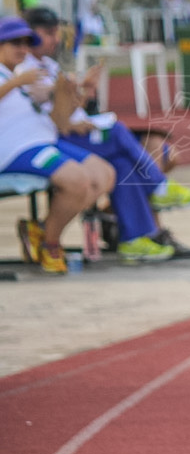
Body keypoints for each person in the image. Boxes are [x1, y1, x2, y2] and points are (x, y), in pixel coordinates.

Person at [18, 7, 190, 261]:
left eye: (56, 33)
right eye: (48, 33)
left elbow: (65, 109)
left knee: (126, 162)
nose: (56, 40)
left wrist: (83, 93)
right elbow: (55, 119)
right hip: (51, 139)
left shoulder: (47, 65)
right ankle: (158, 188)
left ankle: (134, 238)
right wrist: (66, 94)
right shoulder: (23, 69)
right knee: (116, 132)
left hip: (70, 131)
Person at [0, 16, 114, 274]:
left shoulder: (20, 75)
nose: (22, 48)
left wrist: (79, 93)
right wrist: (16, 83)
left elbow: (59, 121)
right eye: (14, 42)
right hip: (14, 149)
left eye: (26, 43)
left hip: (42, 140)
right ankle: (50, 244)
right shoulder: (17, 78)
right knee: (77, 180)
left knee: (102, 175)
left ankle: (42, 230)